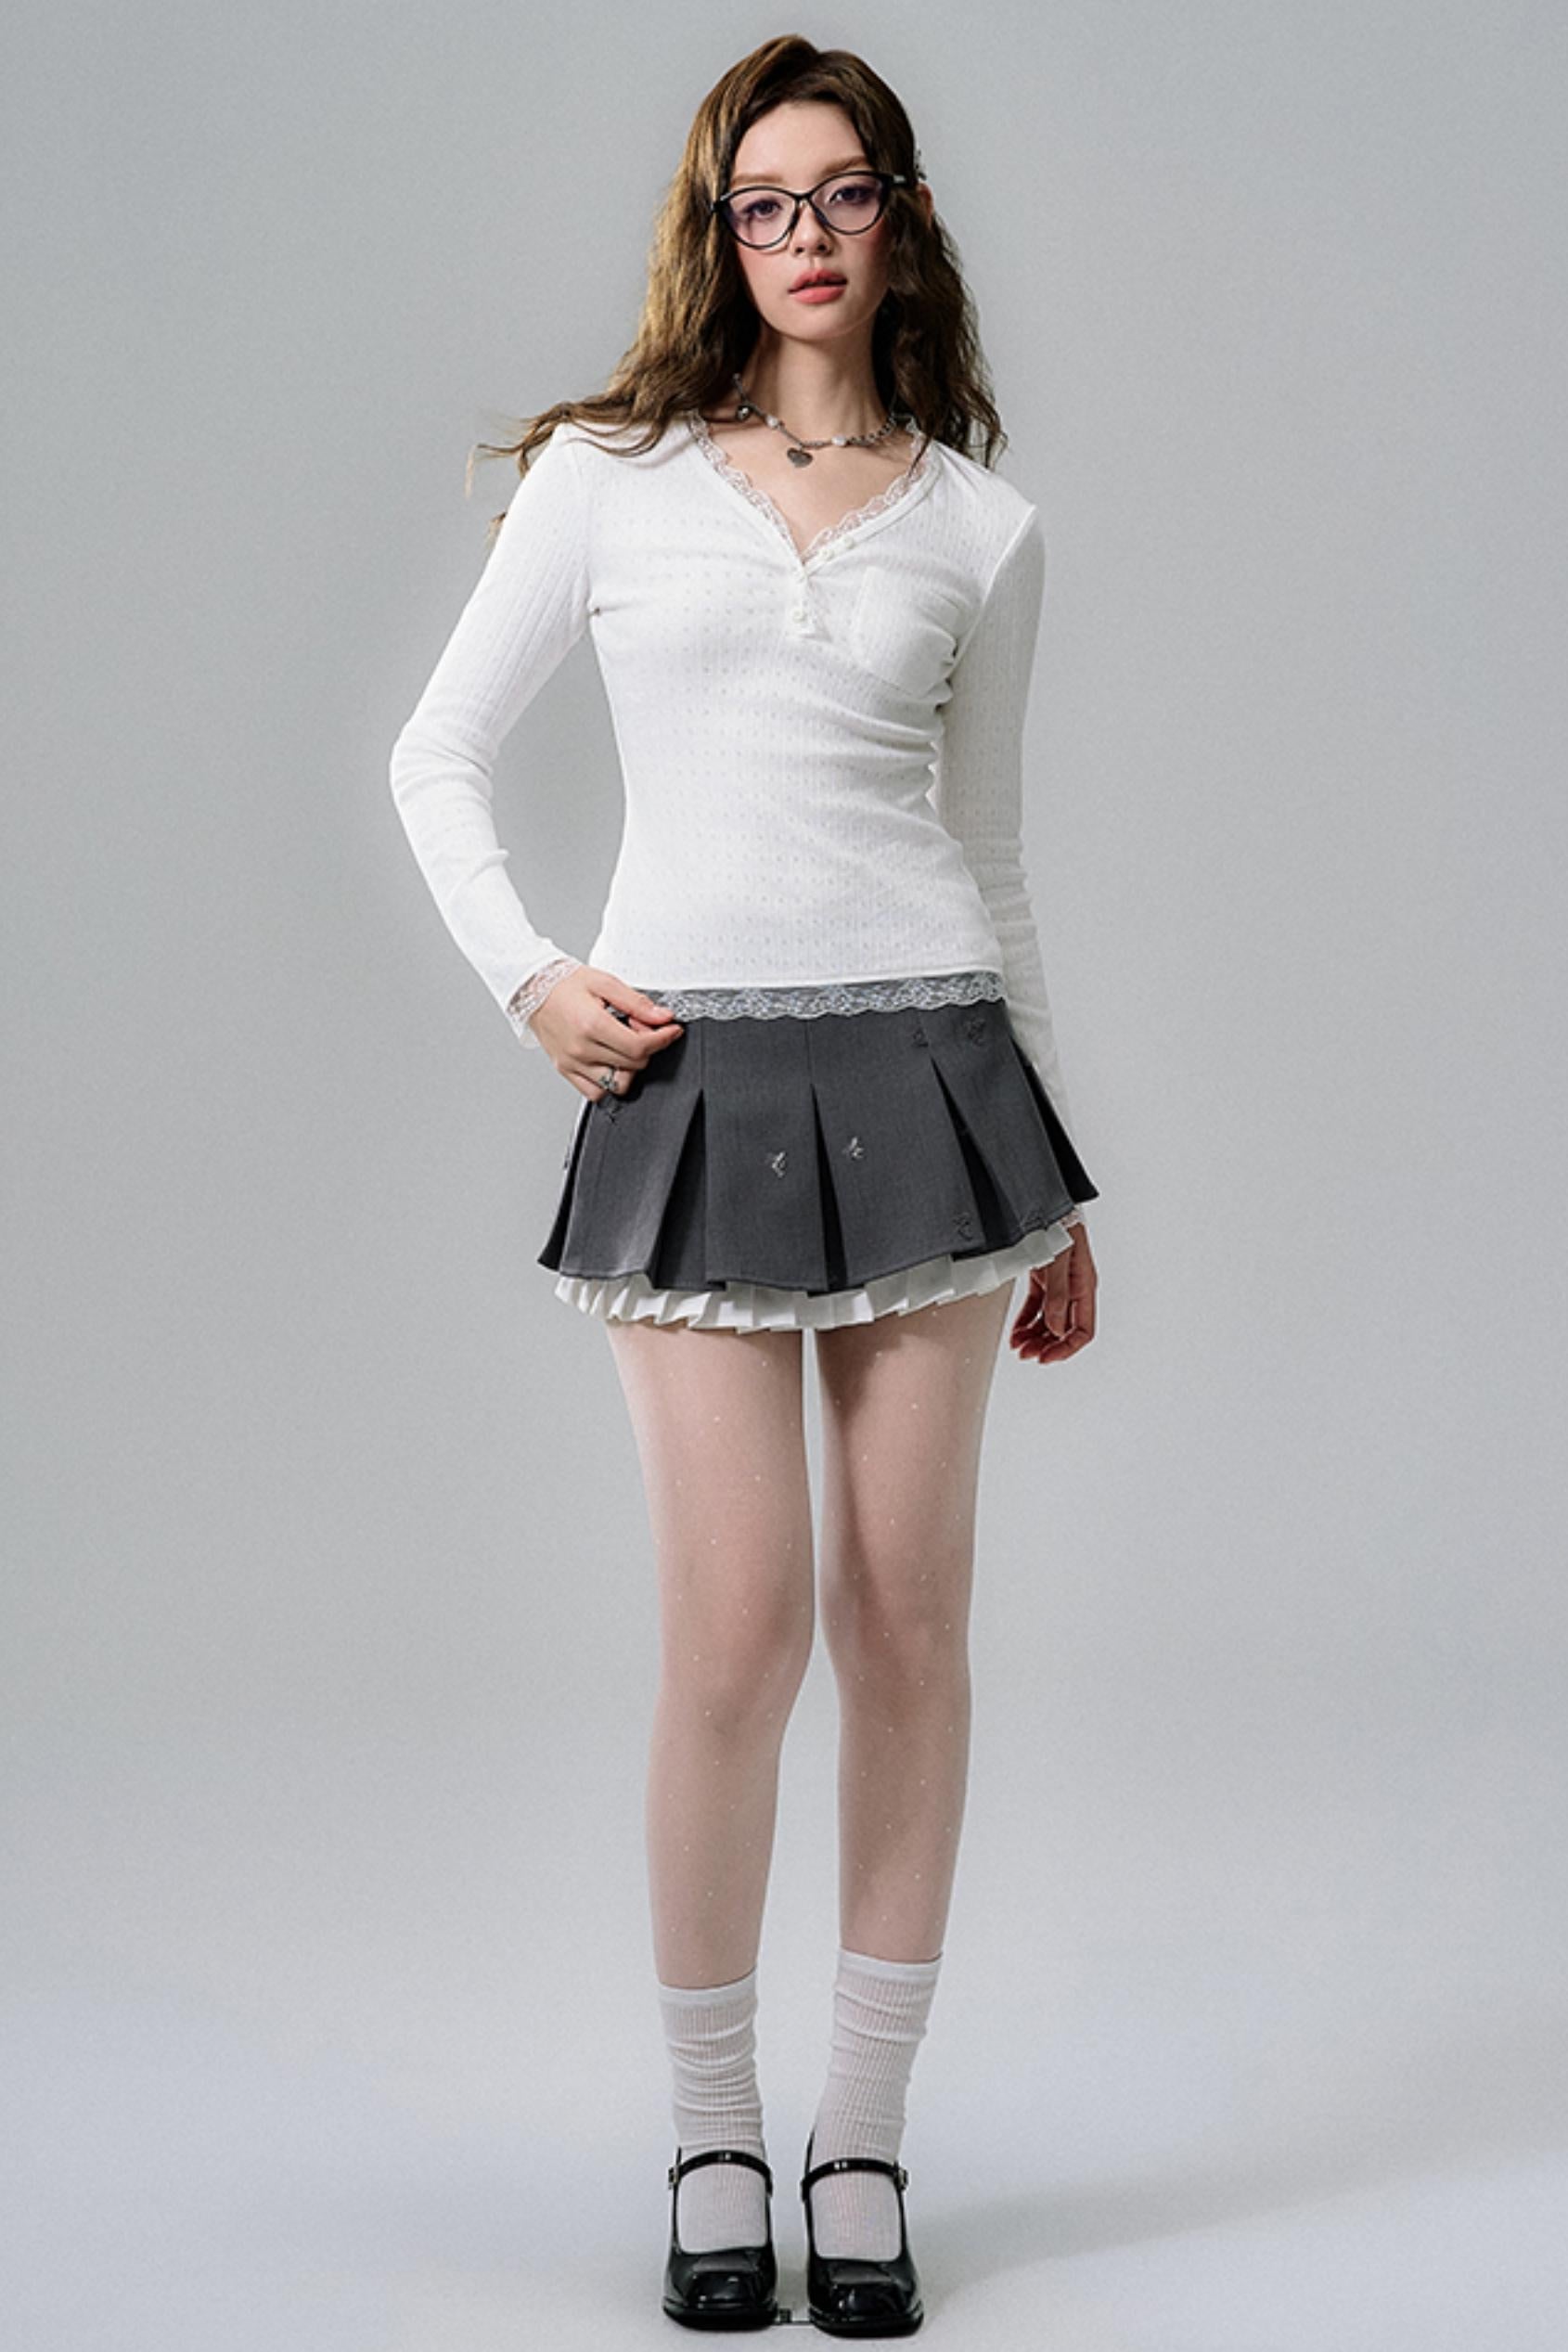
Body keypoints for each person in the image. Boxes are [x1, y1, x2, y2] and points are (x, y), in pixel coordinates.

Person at [389, 33, 1100, 2337]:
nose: (804, 234)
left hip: (936, 1066)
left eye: (842, 191)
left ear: (902, 215)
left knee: (907, 1626)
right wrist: (530, 979)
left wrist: (1055, 1177)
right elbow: (433, 754)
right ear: (720, 229)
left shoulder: (978, 528)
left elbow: (988, 852)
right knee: (735, 1630)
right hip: (691, 1088)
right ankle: (711, 2122)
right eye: (762, 200)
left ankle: (859, 2133)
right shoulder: (605, 481)